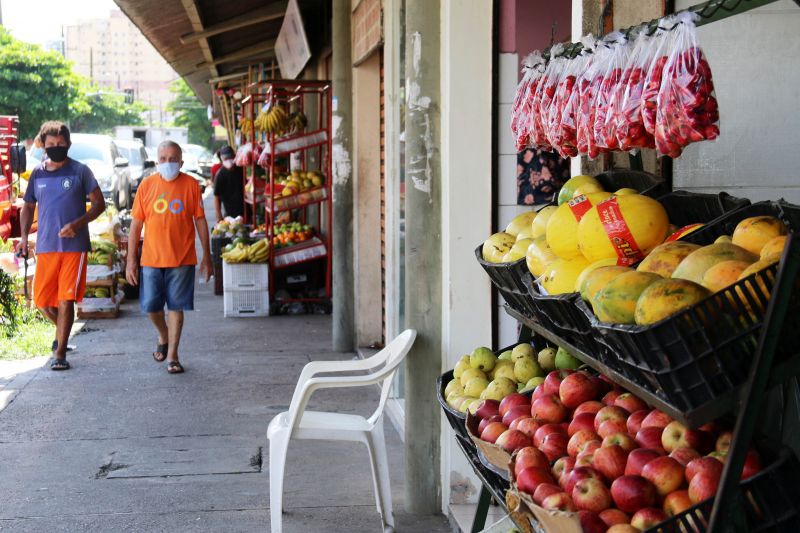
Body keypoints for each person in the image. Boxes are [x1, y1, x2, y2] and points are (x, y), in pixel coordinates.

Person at [16, 121, 106, 370]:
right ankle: (63, 334)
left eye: (60, 144)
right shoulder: (37, 173)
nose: (56, 147)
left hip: (74, 247)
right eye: (51, 144)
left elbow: (99, 205)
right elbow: (28, 206)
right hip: (45, 245)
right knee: (42, 301)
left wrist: (78, 224)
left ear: (68, 144)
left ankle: (60, 353)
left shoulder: (81, 171)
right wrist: (24, 238)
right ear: (43, 145)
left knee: (66, 299)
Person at [125, 141, 212, 374]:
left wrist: (207, 255)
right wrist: (131, 260)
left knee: (176, 306)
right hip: (152, 259)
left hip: (182, 259)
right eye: (163, 158)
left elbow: (200, 220)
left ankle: (173, 355)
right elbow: (136, 225)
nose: (168, 163)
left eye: (173, 158)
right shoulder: (147, 185)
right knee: (151, 307)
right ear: (156, 162)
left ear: (181, 162)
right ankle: (163, 333)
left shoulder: (191, 185)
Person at [212, 145, 244, 221]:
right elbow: (216, 196)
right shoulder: (220, 175)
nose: (229, 160)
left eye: (230, 158)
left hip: (245, 211)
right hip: (229, 214)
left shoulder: (241, 169)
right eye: (226, 159)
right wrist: (218, 215)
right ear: (222, 160)